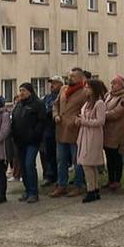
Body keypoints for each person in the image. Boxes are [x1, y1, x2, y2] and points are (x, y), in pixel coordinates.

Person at [51, 68, 87, 198]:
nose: (69, 78)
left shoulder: (85, 92)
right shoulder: (63, 89)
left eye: (73, 76)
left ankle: (78, 185)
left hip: (74, 131)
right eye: (69, 76)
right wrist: (55, 115)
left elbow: (86, 110)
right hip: (61, 129)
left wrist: (77, 118)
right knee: (61, 160)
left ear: (80, 78)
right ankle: (62, 185)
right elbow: (55, 105)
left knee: (76, 160)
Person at [10, 83, 46, 203]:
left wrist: (35, 134)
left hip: (32, 141)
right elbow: (14, 120)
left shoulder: (37, 104)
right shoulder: (19, 104)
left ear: (30, 91)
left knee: (29, 164)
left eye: (23, 90)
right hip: (20, 141)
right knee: (23, 167)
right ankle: (27, 190)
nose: (21, 93)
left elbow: (41, 122)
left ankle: (33, 192)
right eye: (20, 90)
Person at [75, 79, 108, 203]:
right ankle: (94, 189)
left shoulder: (99, 103)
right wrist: (79, 120)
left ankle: (91, 190)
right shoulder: (87, 103)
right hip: (84, 133)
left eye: (87, 87)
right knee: (88, 163)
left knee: (87, 163)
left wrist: (84, 121)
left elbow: (100, 121)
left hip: (93, 135)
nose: (85, 90)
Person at [103, 75, 124, 192]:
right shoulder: (108, 95)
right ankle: (110, 179)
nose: (112, 85)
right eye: (111, 83)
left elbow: (117, 113)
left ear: (121, 85)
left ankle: (117, 180)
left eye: (115, 83)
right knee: (109, 156)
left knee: (116, 156)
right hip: (106, 130)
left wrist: (102, 115)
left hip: (117, 130)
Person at [40, 76, 62, 186]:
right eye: (51, 83)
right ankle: (49, 175)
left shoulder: (62, 96)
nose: (52, 85)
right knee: (47, 154)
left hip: (58, 128)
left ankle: (59, 177)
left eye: (55, 83)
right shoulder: (47, 97)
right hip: (47, 129)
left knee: (59, 155)